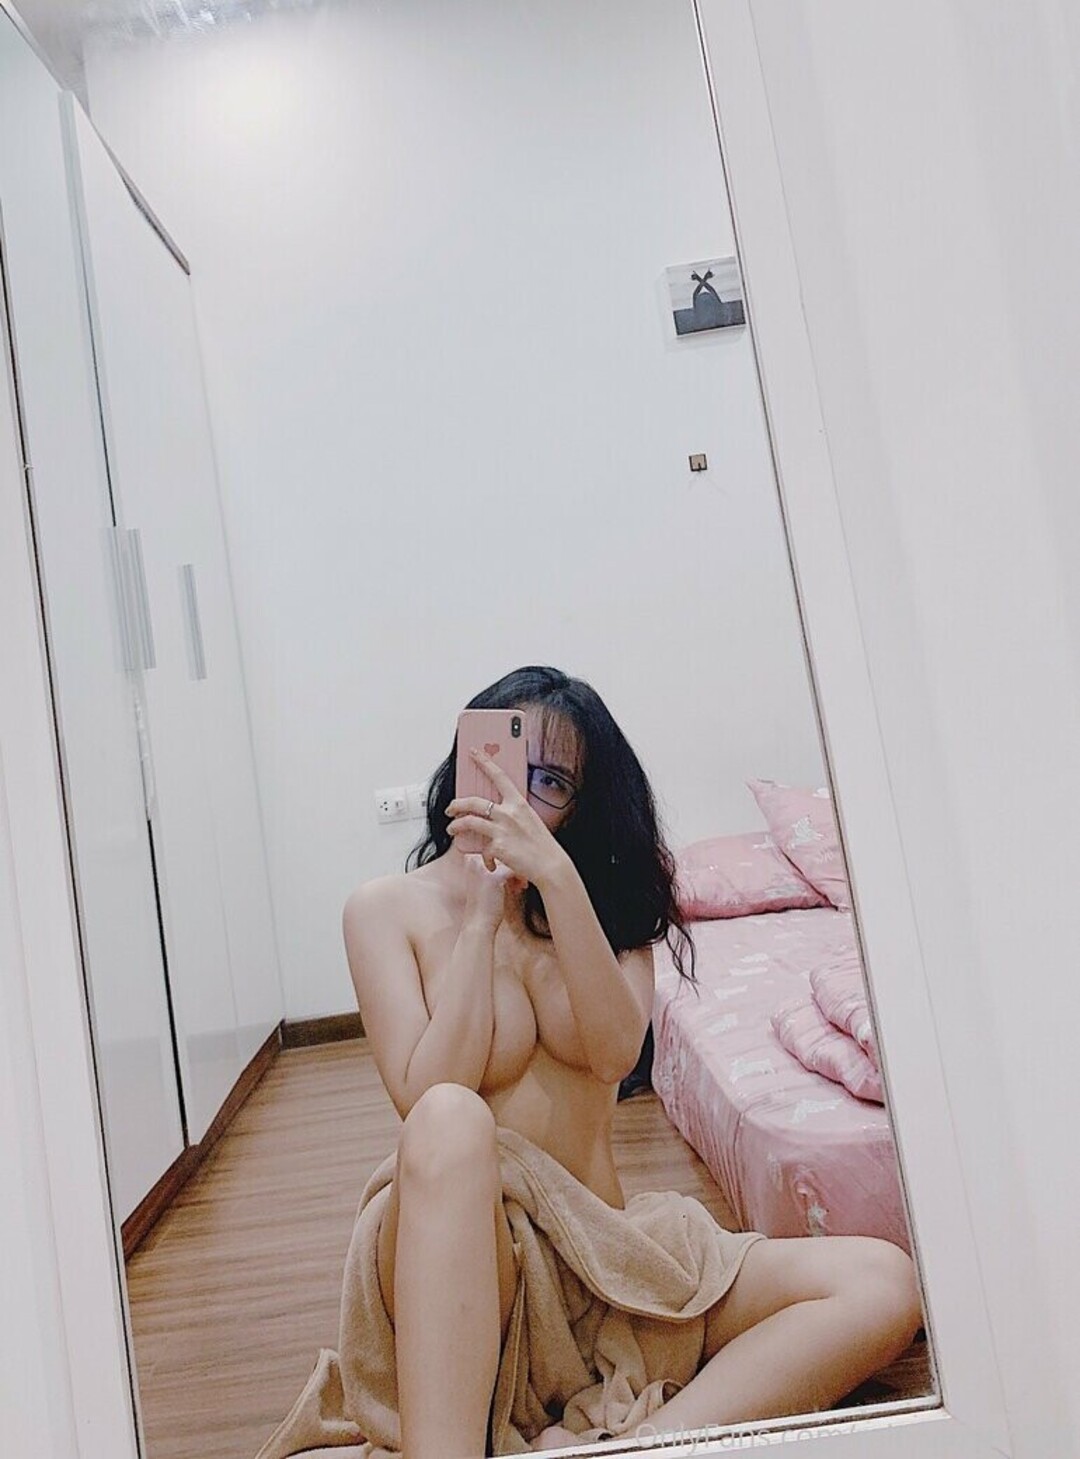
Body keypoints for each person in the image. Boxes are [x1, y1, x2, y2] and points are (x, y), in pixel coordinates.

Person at [341, 667, 921, 1459]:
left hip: (610, 1256)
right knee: (450, 1115)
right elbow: (423, 1092)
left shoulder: (605, 903)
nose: (522, 797)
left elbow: (616, 1050)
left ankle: (645, 1444)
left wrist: (554, 879)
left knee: (883, 1281)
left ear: (584, 802)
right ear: (466, 758)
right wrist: (479, 923)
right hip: (475, 1263)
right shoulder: (385, 909)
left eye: (553, 782)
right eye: (505, 764)